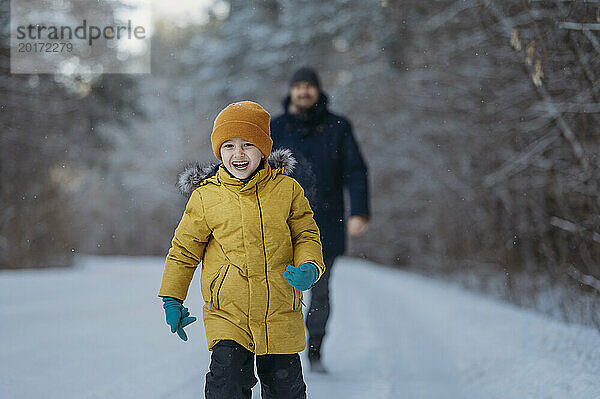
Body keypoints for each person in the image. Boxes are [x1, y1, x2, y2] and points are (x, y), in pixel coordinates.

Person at [157, 101, 326, 399]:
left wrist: (309, 266)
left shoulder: (287, 190)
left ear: (263, 148)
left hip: (279, 310)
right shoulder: (206, 197)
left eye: (248, 144)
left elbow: (306, 234)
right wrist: (172, 298)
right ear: (218, 151)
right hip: (228, 314)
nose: (238, 154)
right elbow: (184, 251)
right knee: (227, 385)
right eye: (229, 145)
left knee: (285, 388)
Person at [270, 67, 370, 373]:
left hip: (326, 222)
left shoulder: (338, 126)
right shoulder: (274, 127)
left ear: (317, 90)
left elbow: (356, 171)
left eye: (308, 86)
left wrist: (359, 212)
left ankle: (314, 350)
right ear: (291, 91)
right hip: (279, 223)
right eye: (298, 86)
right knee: (276, 288)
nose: (303, 92)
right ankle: (277, 350)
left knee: (320, 289)